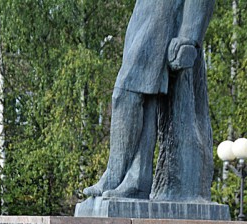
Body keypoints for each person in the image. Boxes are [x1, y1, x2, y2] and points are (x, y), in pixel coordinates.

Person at [82, 0, 215, 200]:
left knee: (125, 94)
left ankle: (116, 175)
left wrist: (189, 35)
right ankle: (135, 181)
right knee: (147, 98)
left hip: (165, 20)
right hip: (143, 15)